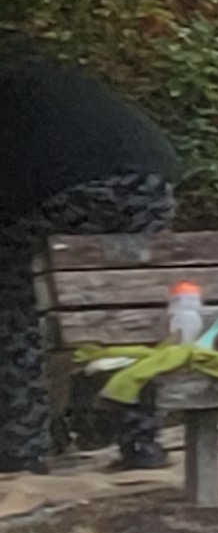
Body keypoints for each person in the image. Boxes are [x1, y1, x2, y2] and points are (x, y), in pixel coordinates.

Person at [1, 49, 178, 475]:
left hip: (81, 187)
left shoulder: (12, 98)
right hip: (154, 180)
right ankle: (140, 443)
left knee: (11, 301)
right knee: (130, 312)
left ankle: (23, 448)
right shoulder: (38, 77)